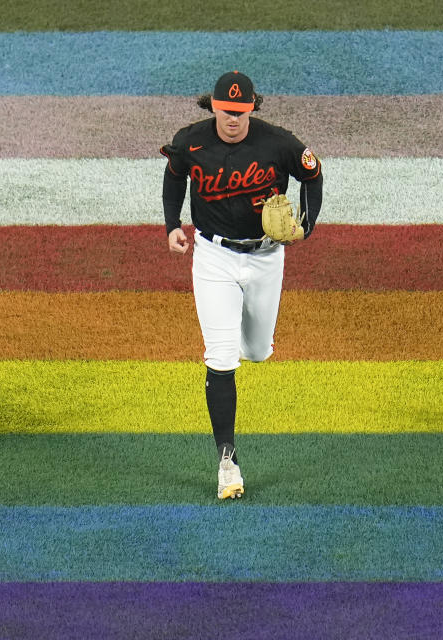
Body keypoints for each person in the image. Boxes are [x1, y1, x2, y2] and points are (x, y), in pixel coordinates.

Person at [159, 70, 323, 500]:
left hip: (267, 256)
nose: (234, 119)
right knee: (221, 356)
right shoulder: (190, 141)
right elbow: (174, 175)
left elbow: (312, 174)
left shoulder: (279, 143)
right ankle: (227, 462)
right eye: (227, 111)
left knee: (256, 351)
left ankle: (252, 352)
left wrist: (307, 223)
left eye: (242, 112)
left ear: (253, 109)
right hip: (213, 257)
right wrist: (172, 224)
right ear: (212, 106)